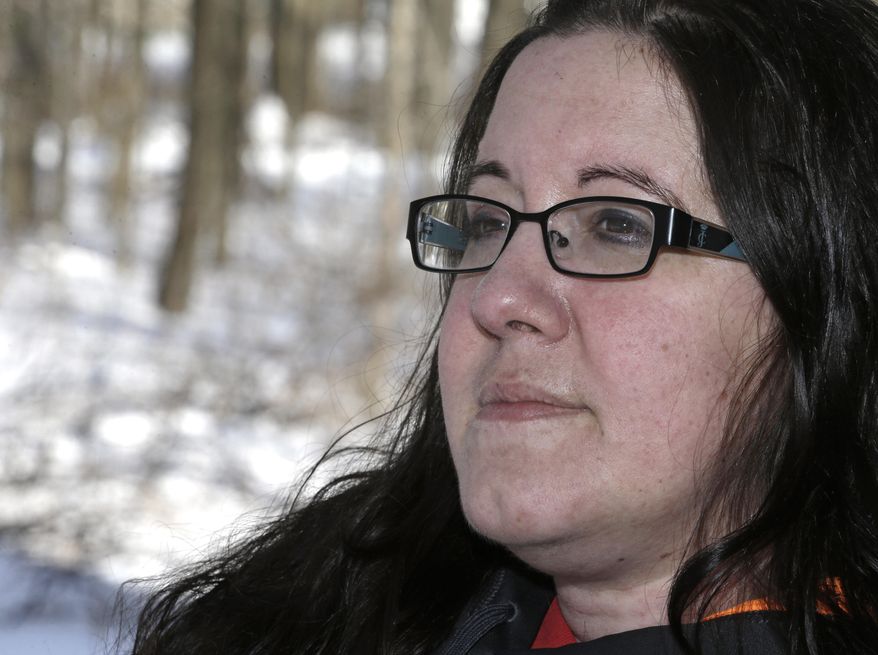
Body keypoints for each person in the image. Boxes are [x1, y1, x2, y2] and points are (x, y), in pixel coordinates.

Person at [128, 0, 878, 653]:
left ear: (822, 297)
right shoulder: (322, 610)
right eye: (488, 223)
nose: (497, 297)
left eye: (616, 224)